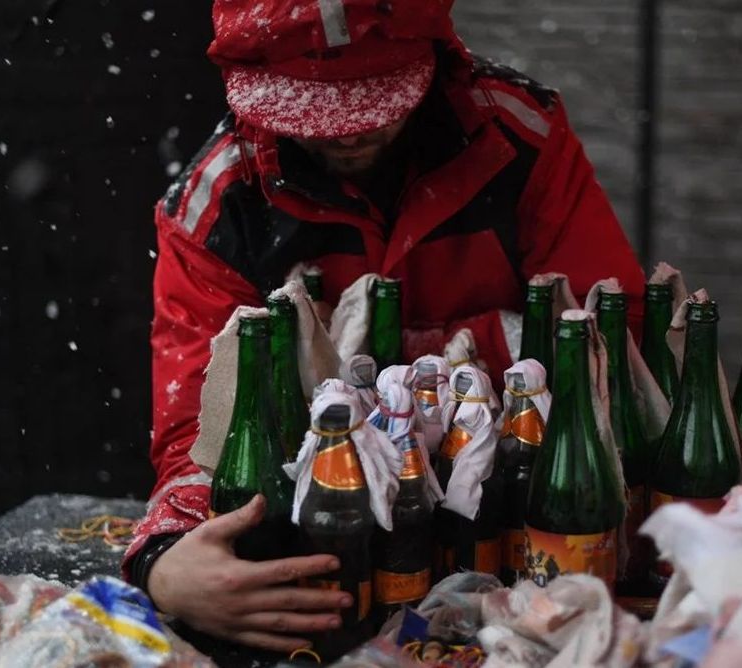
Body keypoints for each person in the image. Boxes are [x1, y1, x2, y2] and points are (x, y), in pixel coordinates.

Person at [123, 0, 646, 654]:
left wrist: (407, 361)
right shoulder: (218, 204)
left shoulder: (518, 137)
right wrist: (165, 559)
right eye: (313, 110)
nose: (346, 135)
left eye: (375, 102)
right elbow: (198, 431)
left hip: (526, 538)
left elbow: (613, 338)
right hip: (329, 561)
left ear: (434, 59)